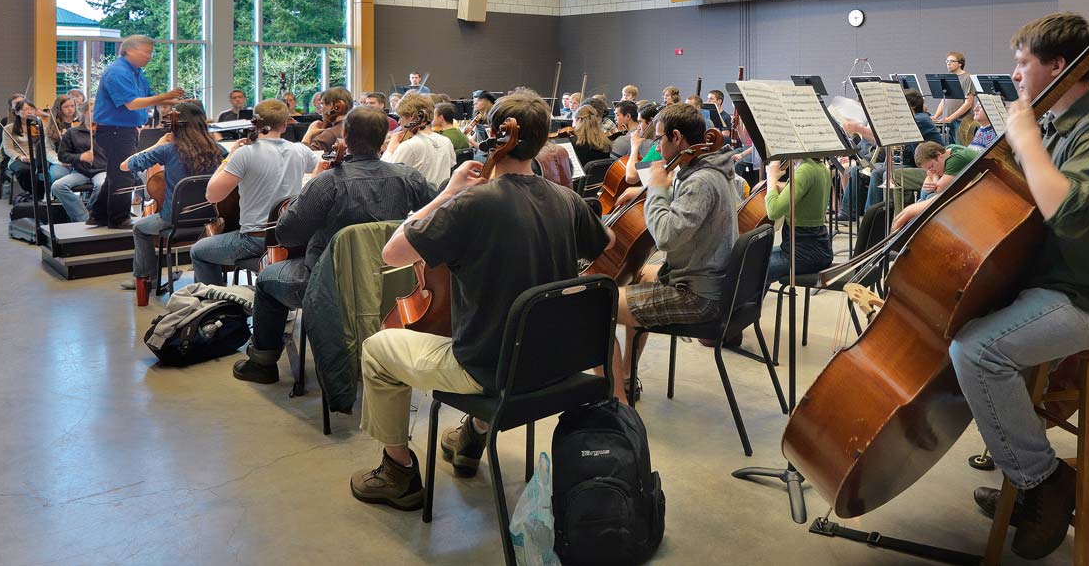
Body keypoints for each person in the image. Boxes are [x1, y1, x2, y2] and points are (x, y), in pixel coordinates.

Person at [948, 13, 1089, 558]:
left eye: (1023, 63)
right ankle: (1026, 475)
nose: (1015, 74)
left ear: (1058, 66)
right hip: (1059, 283)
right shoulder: (1054, 125)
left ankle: (1043, 481)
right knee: (966, 327)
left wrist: (1025, 139)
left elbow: (1065, 214)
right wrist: (932, 204)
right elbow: (1014, 195)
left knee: (976, 351)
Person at [348, 92, 609, 506]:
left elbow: (393, 253)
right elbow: (606, 241)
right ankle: (471, 437)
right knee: (503, 335)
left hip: (494, 370)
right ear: (542, 143)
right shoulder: (567, 198)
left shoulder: (472, 202)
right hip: (558, 362)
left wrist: (448, 191)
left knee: (377, 351)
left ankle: (397, 471)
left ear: (492, 136)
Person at [233, 107, 436, 384]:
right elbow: (436, 214)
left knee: (267, 280)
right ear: (384, 139)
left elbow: (287, 236)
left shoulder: (328, 183)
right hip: (392, 281)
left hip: (330, 282)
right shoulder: (408, 178)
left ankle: (262, 363)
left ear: (345, 136)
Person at [610, 102, 737, 403]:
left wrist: (655, 189)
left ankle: (616, 403)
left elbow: (666, 236)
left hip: (699, 296)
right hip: (707, 279)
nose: (656, 144)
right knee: (640, 276)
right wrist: (646, 190)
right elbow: (677, 195)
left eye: (659, 138)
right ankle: (627, 377)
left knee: (599, 302)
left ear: (676, 137)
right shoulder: (709, 166)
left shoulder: (701, 181)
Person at [197, 99, 318, 286]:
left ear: (256, 123)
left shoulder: (245, 153)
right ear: (285, 125)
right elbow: (319, 170)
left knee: (198, 251)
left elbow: (212, 195)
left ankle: (214, 305)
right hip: (291, 237)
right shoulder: (300, 150)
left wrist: (229, 157)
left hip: (254, 240)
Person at [122, 101, 228, 290]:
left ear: (176, 124)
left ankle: (146, 279)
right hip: (211, 219)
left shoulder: (168, 150)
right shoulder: (218, 150)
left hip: (175, 220)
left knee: (139, 228)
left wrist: (158, 143)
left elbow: (125, 165)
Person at [90, 36, 184, 228]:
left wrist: (172, 101)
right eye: (146, 52)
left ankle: (98, 215)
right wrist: (165, 97)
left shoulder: (136, 73)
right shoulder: (118, 72)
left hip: (124, 130)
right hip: (115, 130)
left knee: (116, 172)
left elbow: (148, 97)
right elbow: (132, 103)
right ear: (130, 50)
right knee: (125, 172)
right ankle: (118, 218)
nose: (149, 56)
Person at [763, 158, 833, 291]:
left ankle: (748, 309)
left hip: (801, 255)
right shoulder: (819, 167)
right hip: (816, 248)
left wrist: (771, 177)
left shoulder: (804, 171)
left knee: (748, 269)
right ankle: (753, 307)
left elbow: (773, 211)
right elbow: (805, 190)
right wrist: (780, 187)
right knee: (754, 255)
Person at [384, 92, 454, 185]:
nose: (399, 121)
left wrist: (390, 148)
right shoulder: (446, 141)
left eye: (401, 117)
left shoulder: (409, 146)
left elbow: (385, 176)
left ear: (412, 116)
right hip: (441, 197)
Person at [52, 100, 105, 223]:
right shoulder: (72, 132)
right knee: (57, 186)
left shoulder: (106, 131)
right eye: (92, 111)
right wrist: (80, 157)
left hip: (101, 170)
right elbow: (62, 156)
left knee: (102, 185)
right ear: (84, 113)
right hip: (80, 172)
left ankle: (91, 212)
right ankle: (84, 217)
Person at [931, 52, 976, 133]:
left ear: (960, 64)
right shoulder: (948, 78)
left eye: (951, 61)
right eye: (947, 61)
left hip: (961, 122)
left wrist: (950, 118)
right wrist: (936, 116)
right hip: (947, 121)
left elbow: (968, 103)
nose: (948, 63)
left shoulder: (968, 78)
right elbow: (944, 100)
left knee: (958, 145)